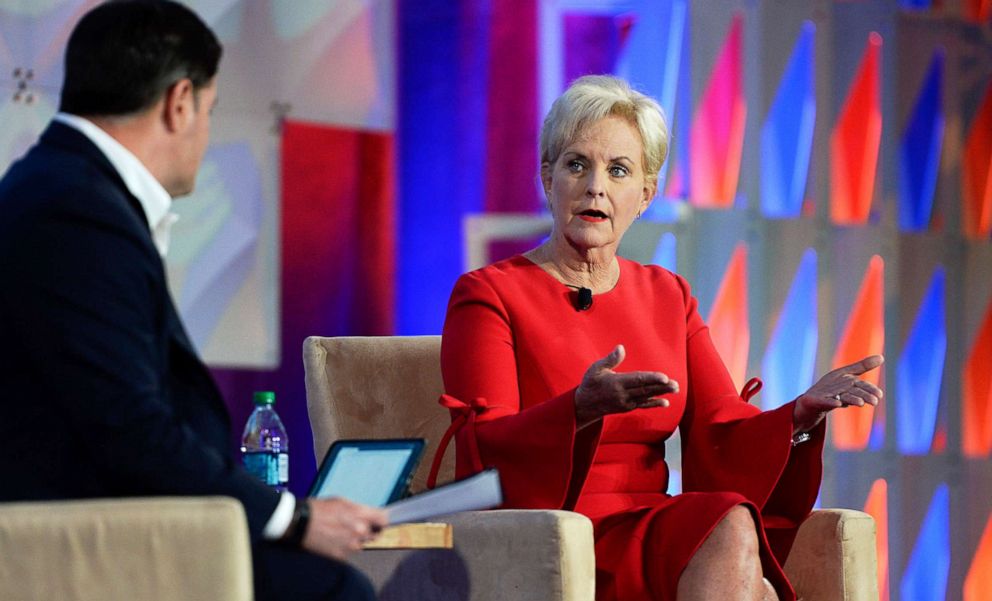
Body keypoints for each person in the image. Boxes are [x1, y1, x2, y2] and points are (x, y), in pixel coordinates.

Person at [438, 75, 884, 601]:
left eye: (618, 170)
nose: (595, 186)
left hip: (650, 525)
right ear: (547, 177)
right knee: (739, 554)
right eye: (576, 164)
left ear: (646, 194)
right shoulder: (489, 294)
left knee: (727, 527)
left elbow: (721, 424)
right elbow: (481, 449)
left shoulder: (668, 295)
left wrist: (797, 416)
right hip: (552, 534)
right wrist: (576, 410)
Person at [0, 2, 386, 600]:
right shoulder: (74, 210)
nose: (207, 133)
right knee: (335, 589)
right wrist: (296, 520)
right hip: (88, 535)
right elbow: (130, 429)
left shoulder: (60, 187)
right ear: (179, 102)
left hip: (118, 516)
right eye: (210, 110)